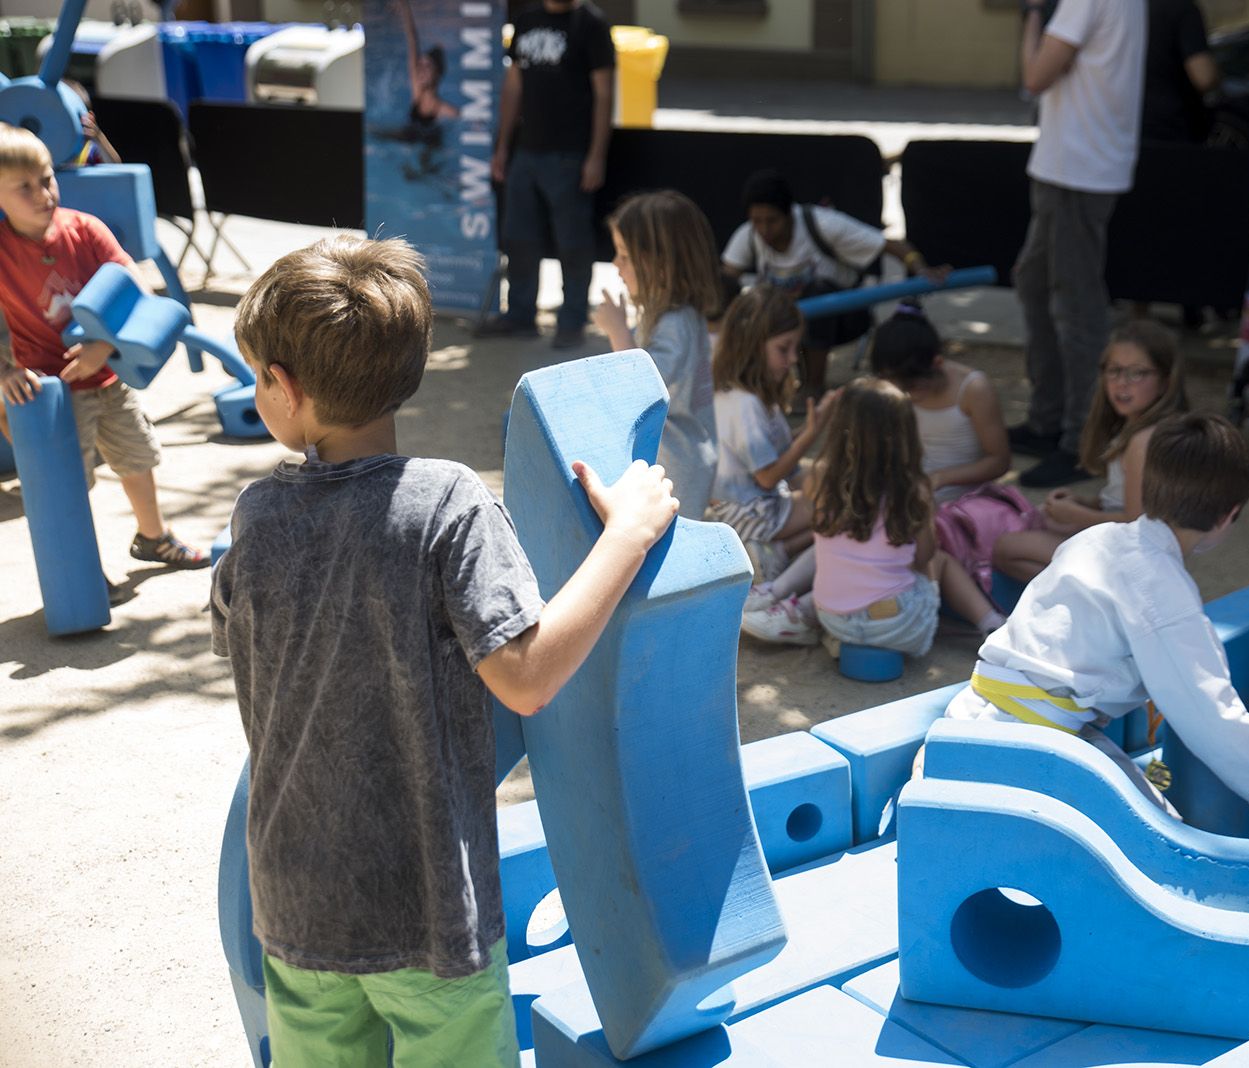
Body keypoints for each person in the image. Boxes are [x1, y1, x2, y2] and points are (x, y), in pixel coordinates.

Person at [211, 234, 677, 1065]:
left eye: (257, 376)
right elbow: (526, 677)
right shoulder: (445, 504)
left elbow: (239, 641)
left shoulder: (256, 515)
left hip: (295, 903)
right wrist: (627, 538)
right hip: (428, 914)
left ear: (285, 389)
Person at [946, 412, 1249, 848]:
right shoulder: (1161, 591)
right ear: (1228, 516)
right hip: (1033, 751)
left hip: (969, 720)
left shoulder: (1097, 540)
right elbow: (1207, 711)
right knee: (1164, 839)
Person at [0, 123, 206, 577]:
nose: (43, 193)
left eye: (47, 178)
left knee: (137, 459)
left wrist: (103, 343)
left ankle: (154, 538)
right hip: (49, 392)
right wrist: (5, 374)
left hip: (107, 376)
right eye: (24, 188)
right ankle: (79, 569)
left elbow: (132, 282)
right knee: (66, 483)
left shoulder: (85, 230)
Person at [1010, 0, 1148, 489]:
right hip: (1073, 168)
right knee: (1034, 284)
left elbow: (1034, 76)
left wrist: (1031, 13)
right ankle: (1049, 422)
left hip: (1076, 171)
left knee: (1076, 307)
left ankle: (1079, 443)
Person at [809, 377, 1006, 660]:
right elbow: (924, 557)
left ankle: (843, 638)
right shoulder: (912, 489)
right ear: (904, 434)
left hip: (832, 617)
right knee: (941, 560)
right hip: (897, 624)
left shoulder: (819, 480)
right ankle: (991, 624)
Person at [721, 169, 944, 399]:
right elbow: (725, 284)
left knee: (816, 293)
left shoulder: (824, 224)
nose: (764, 230)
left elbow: (892, 245)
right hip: (786, 323)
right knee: (756, 303)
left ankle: (813, 387)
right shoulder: (748, 235)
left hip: (843, 318)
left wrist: (921, 270)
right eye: (757, 221)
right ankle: (769, 384)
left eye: (772, 221)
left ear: (790, 213)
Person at [994, 320, 1188, 582]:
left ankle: (1100, 598)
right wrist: (1086, 503)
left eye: (1137, 373)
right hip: (1121, 545)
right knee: (1040, 518)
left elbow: (1138, 525)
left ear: (1165, 381)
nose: (1122, 383)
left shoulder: (1145, 440)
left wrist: (1079, 516)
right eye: (1115, 370)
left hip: (1131, 557)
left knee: (1007, 548)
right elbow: (1130, 500)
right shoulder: (1134, 428)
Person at [483, 0, 615, 346]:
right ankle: (520, 316)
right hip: (526, 152)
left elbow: (605, 93)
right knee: (519, 237)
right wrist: (502, 146)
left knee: (573, 242)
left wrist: (597, 155)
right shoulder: (526, 20)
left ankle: (571, 321)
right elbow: (514, 85)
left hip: (571, 155)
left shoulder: (591, 24)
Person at [706, 285, 833, 645]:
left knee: (832, 496)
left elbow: (779, 464)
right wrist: (810, 435)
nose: (793, 357)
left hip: (750, 507)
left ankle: (773, 555)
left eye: (795, 347)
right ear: (751, 344)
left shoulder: (751, 393)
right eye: (784, 348)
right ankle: (771, 563)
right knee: (837, 507)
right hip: (747, 511)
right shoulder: (744, 402)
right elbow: (768, 476)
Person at [593, 190, 722, 519]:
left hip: (674, 470)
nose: (616, 265)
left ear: (659, 264)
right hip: (684, 461)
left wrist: (618, 331)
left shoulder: (675, 323)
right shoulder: (678, 315)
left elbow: (643, 387)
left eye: (624, 255)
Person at [868, 302, 1011, 504]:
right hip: (912, 492)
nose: (906, 396)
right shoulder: (896, 382)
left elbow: (999, 461)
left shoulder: (973, 389)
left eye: (913, 388)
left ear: (937, 364)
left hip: (961, 501)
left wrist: (939, 479)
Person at [1142, 0, 1220, 145]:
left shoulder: (1124, 12)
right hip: (1171, 129)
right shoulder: (1183, 9)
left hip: (1126, 128)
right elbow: (1204, 77)